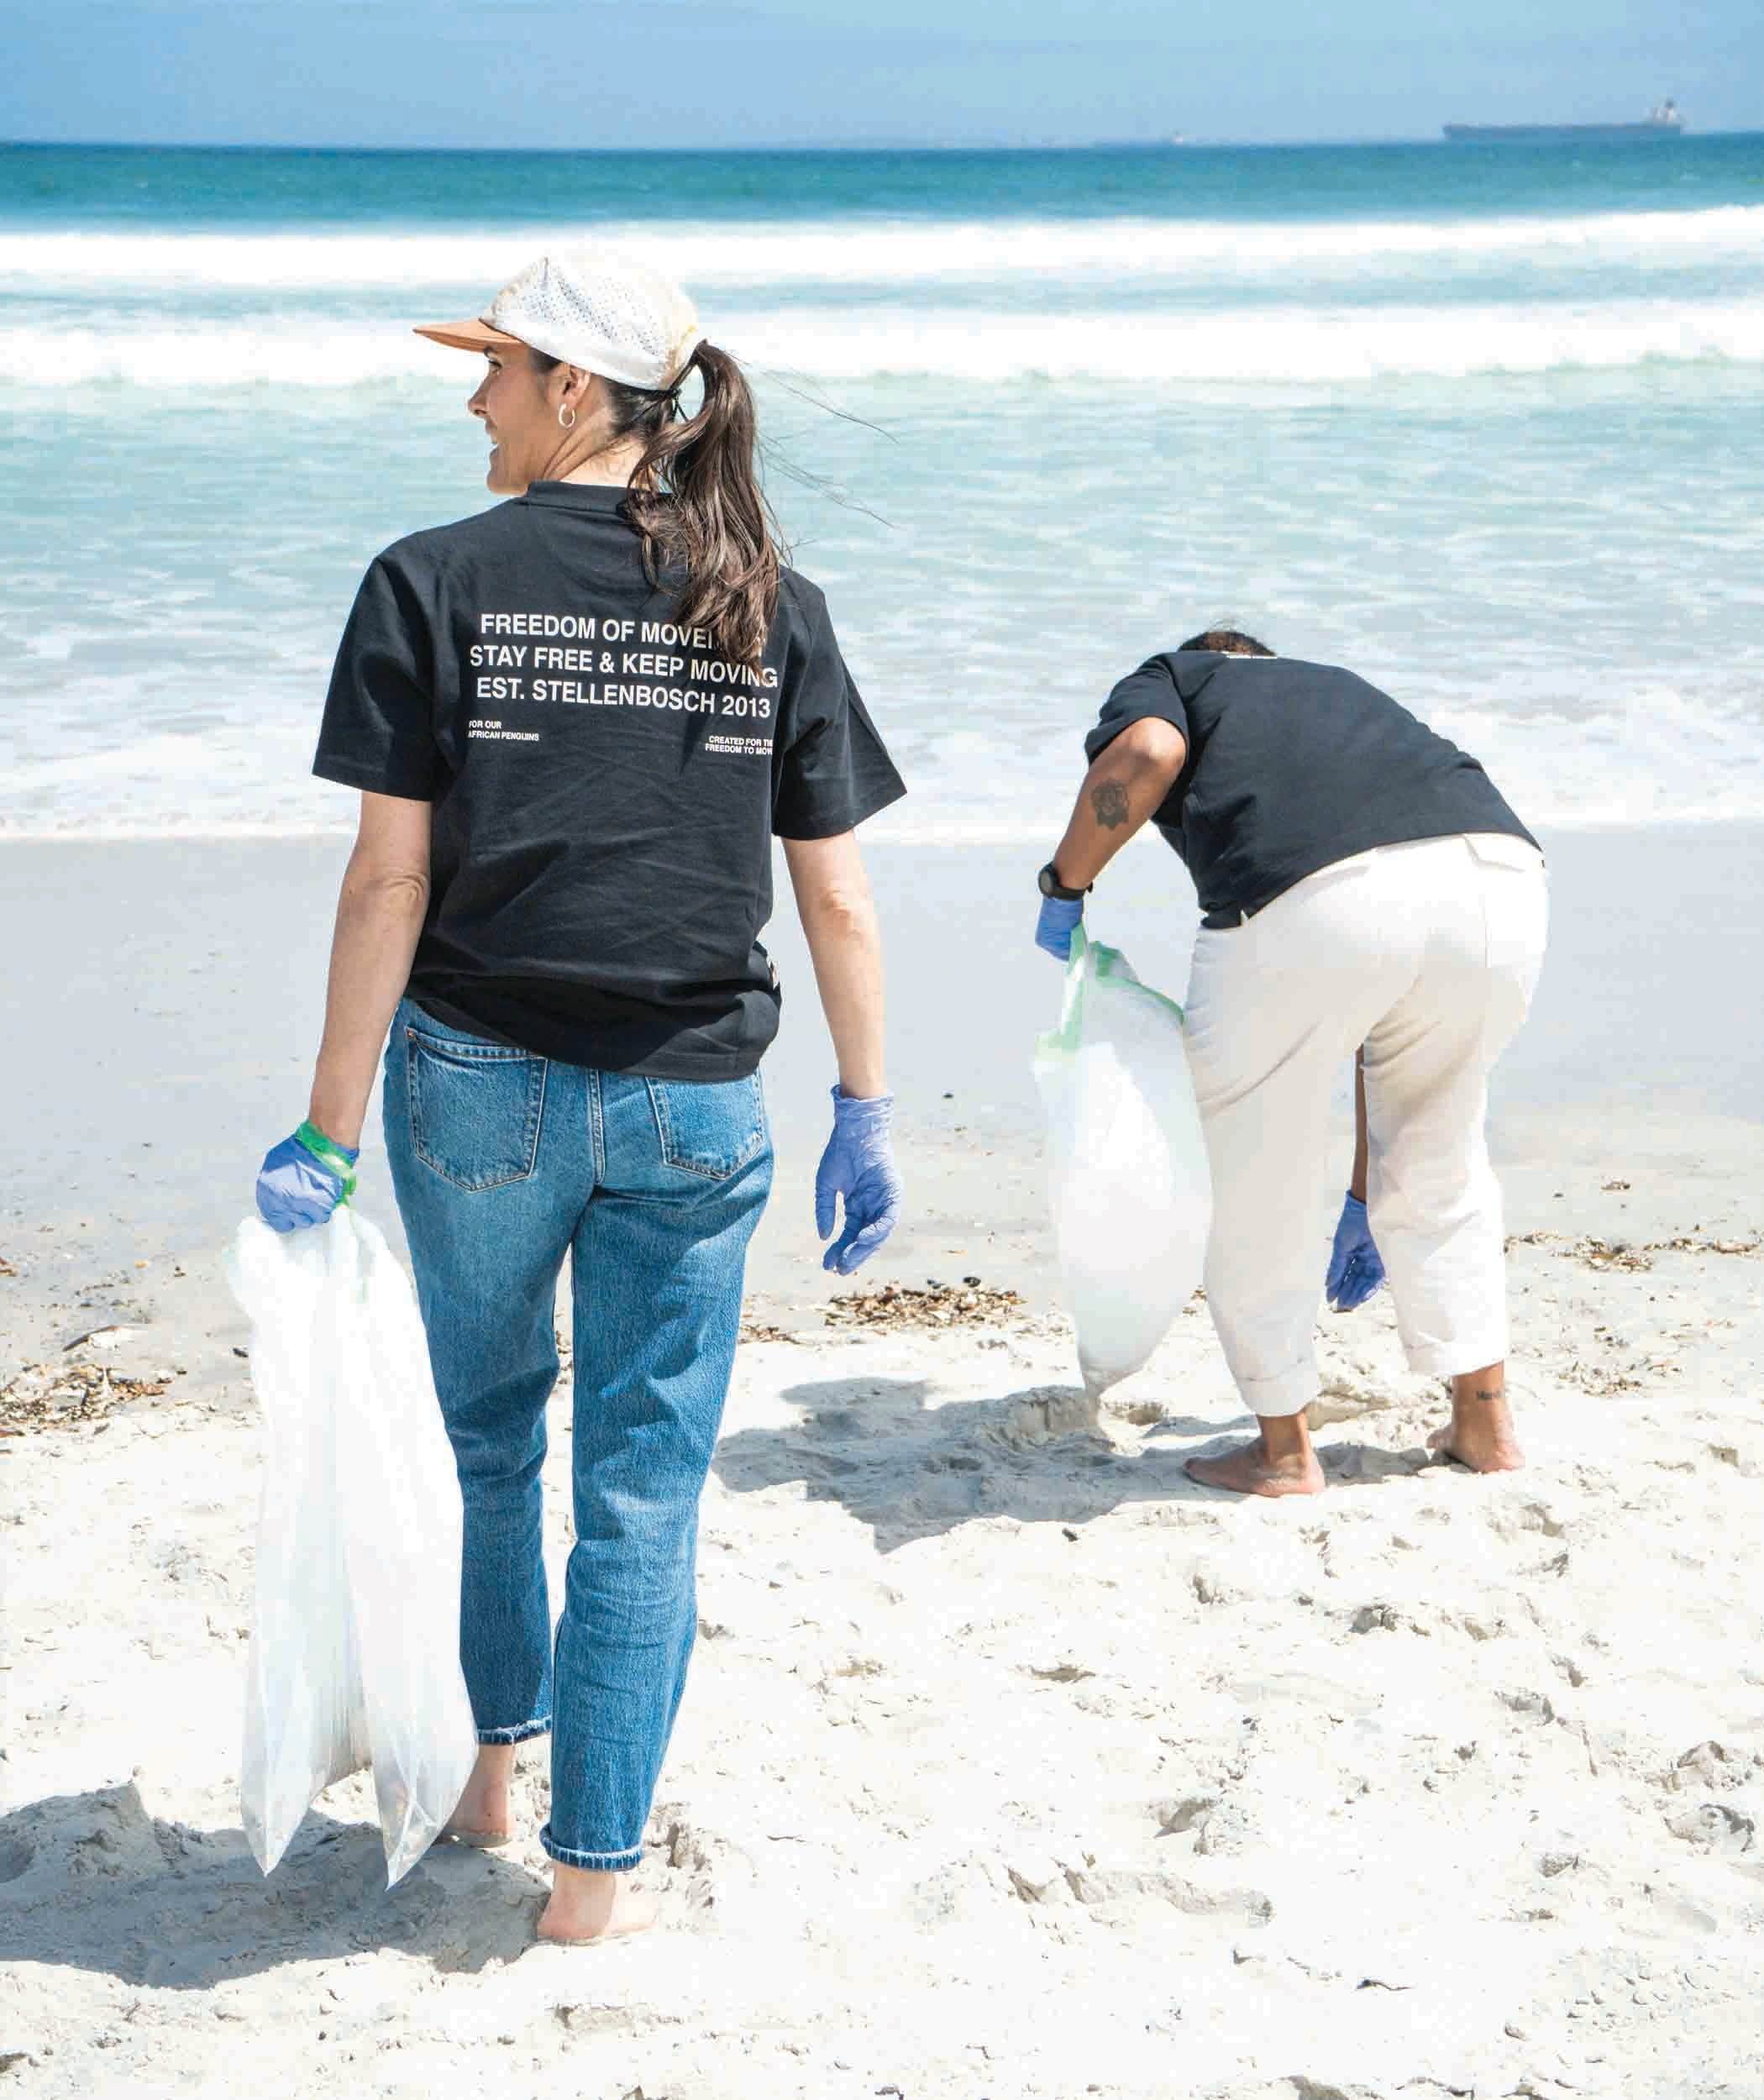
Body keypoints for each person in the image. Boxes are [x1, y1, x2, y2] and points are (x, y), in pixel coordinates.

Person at [254, 248, 906, 1942]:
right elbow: (835, 893)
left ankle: (493, 1768)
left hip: (477, 1087)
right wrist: (866, 1101)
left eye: (494, 369)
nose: (472, 397)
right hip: (698, 1108)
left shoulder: (431, 577)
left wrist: (327, 1126)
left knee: (488, 1441)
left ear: (570, 389)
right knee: (641, 1485)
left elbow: (386, 885)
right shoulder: (775, 598)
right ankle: (588, 1879)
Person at [1034, 628, 1546, 1498]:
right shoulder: (1338, 692)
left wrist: (1066, 883)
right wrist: (1361, 1190)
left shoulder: (1179, 677)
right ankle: (1484, 1423)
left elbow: (1148, 751)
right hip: (1501, 877)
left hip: (1320, 902)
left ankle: (1281, 1449)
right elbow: (1369, 1010)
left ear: (1211, 660)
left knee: (1250, 1179)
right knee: (1443, 1152)